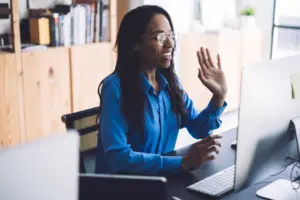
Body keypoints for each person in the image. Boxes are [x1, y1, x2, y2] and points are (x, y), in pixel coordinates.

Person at [95, 5, 228, 175]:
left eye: (171, 36)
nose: (171, 43)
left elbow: (198, 129)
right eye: (160, 37)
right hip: (122, 188)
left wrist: (219, 96)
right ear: (135, 44)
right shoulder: (114, 88)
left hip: (161, 181)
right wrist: (182, 163)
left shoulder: (170, 83)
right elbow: (118, 159)